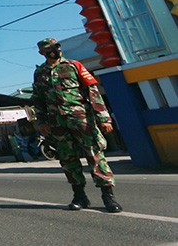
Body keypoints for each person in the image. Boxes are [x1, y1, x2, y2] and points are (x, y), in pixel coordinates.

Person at [31, 38, 122, 213]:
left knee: (94, 155)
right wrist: (41, 121)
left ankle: (108, 196)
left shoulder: (74, 65)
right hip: (57, 123)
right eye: (49, 48)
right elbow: (38, 100)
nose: (54, 50)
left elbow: (93, 92)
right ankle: (79, 196)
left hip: (82, 120)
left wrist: (103, 117)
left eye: (56, 47)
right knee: (67, 159)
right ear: (41, 52)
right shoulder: (40, 73)